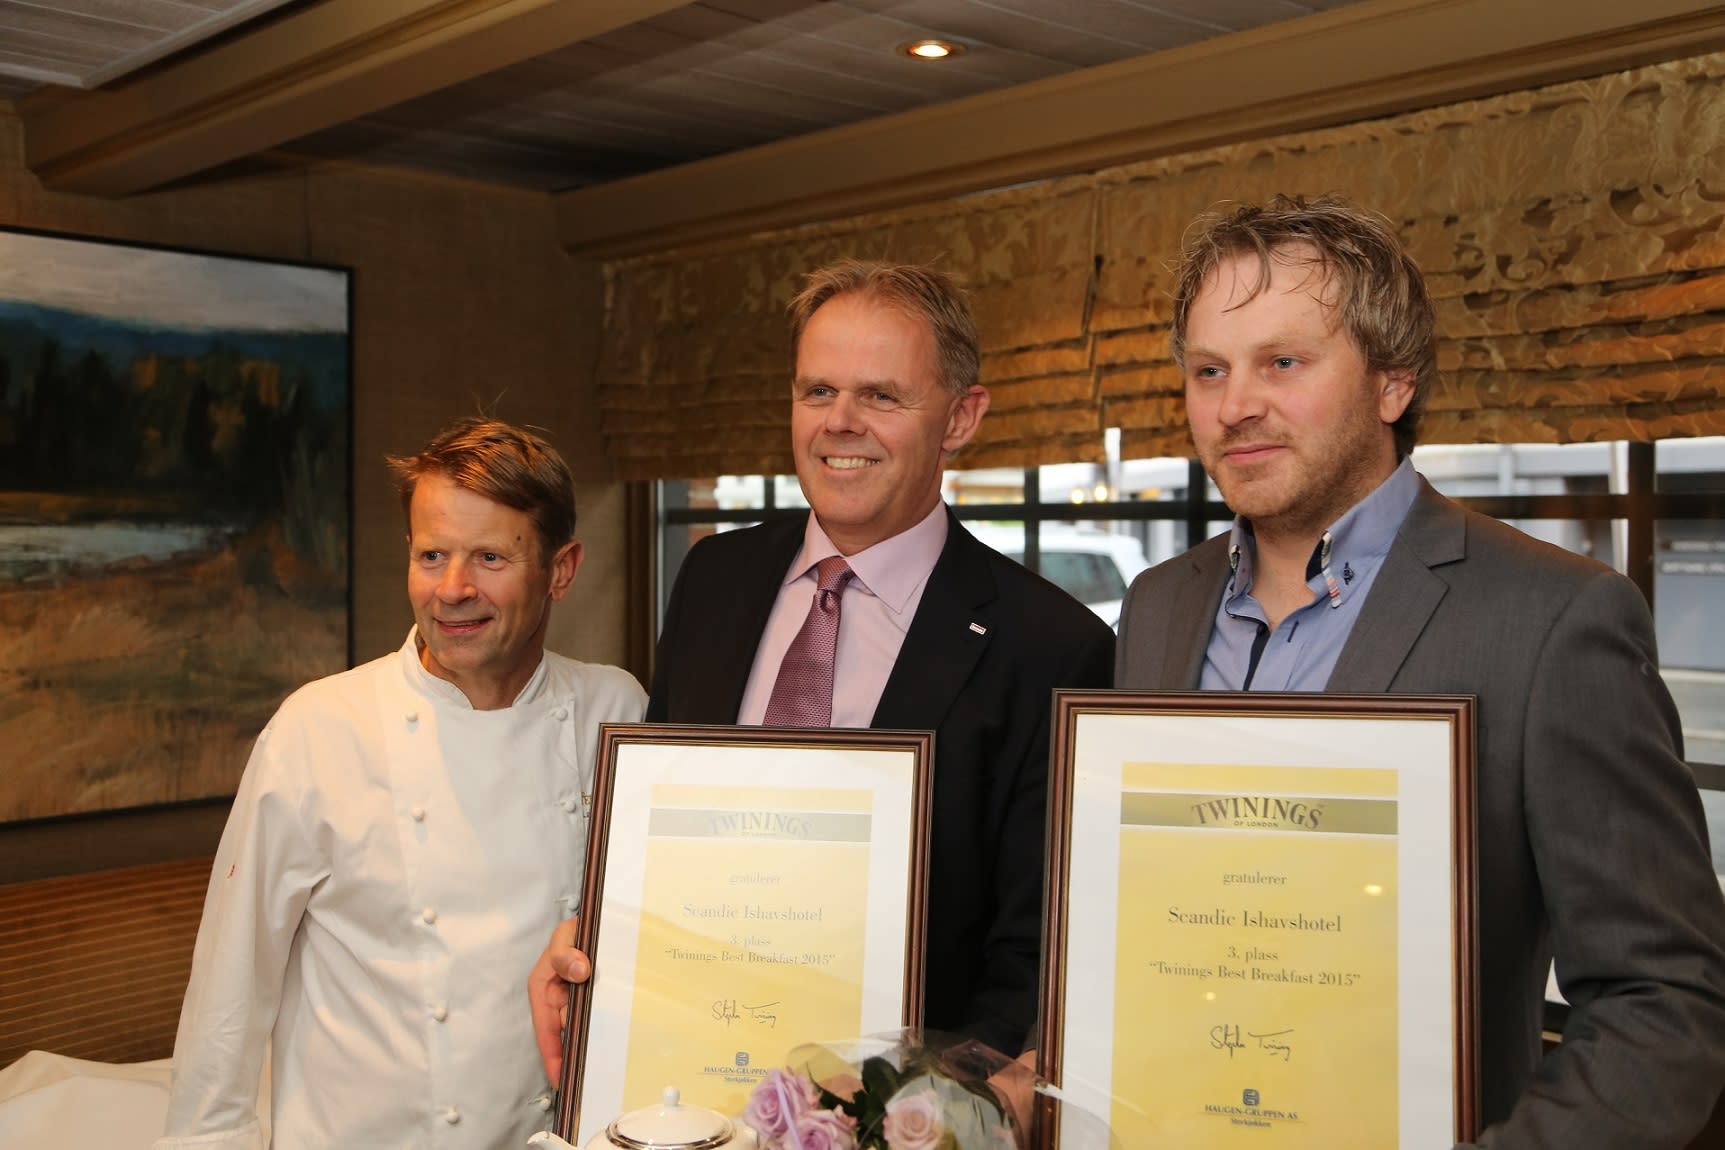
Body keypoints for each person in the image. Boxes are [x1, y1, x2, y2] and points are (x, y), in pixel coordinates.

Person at [1115, 194, 1725, 1147]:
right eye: (1208, 370)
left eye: (1283, 362)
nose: (1234, 407)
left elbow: (1665, 1001)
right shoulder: (1156, 606)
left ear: (1392, 382)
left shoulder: (1553, 618)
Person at [530, 261, 1115, 1078]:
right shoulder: (713, 579)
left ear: (960, 417)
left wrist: (929, 1112)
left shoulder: (1050, 644)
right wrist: (594, 946)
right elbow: (660, 845)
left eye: (880, 396)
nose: (840, 422)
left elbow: (1030, 950)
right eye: (817, 391)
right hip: (684, 1078)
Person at [157, 418, 647, 1150]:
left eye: (489, 557)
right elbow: (232, 980)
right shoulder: (318, 729)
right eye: (431, 556)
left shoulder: (616, 711)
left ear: (561, 568)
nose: (452, 590)